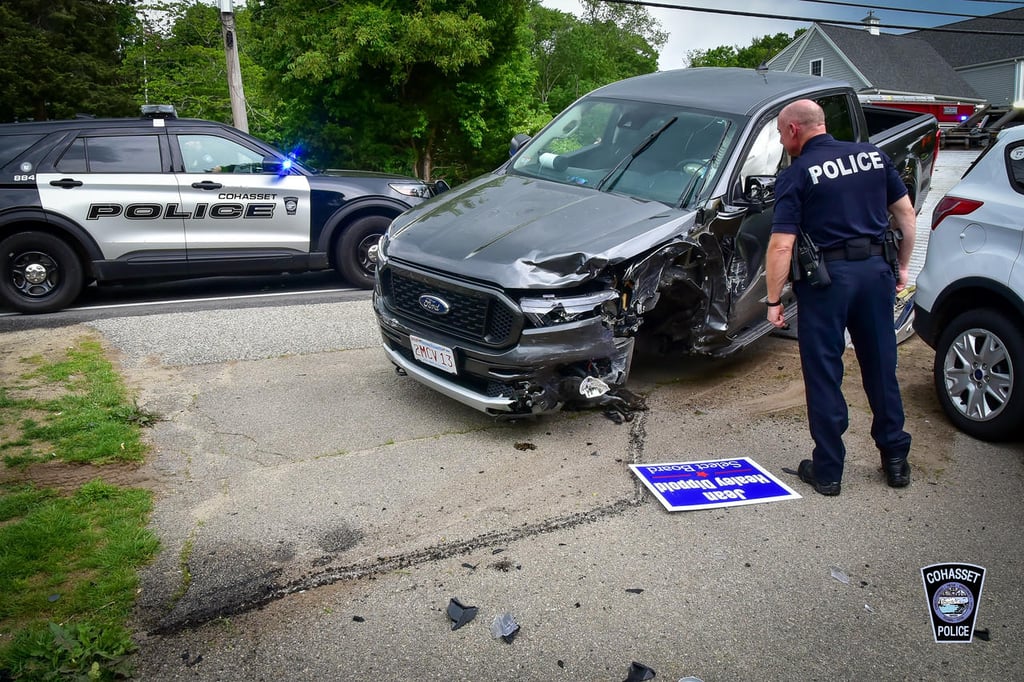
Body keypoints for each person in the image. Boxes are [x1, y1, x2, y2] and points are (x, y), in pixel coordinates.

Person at [764, 99, 916, 496]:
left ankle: (829, 472)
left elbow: (782, 245)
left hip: (827, 282)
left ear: (794, 130)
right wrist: (901, 267)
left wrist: (773, 300)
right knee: (881, 365)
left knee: (825, 373)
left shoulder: (796, 174)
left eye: (781, 134)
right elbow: (906, 216)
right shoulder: (873, 156)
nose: (782, 141)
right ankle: (895, 461)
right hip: (875, 274)